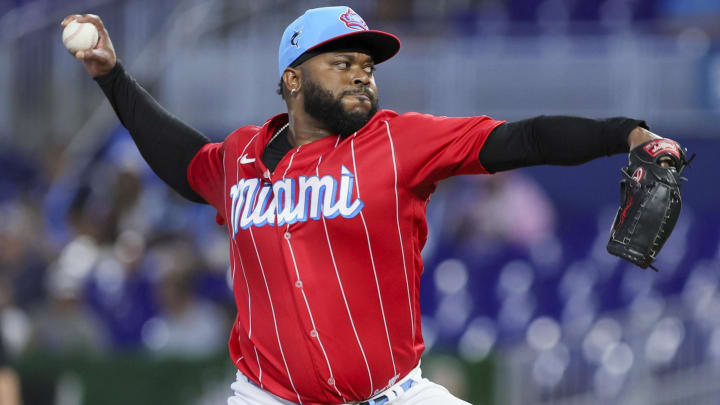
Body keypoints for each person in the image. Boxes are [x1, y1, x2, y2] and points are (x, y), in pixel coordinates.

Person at [62, 6, 673, 405]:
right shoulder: (241, 155)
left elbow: (525, 138)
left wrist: (628, 134)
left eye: (368, 66)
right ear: (294, 79)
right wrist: (112, 77)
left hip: (393, 395)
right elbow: (184, 163)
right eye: (344, 62)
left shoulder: (400, 140)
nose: (363, 76)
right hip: (265, 397)